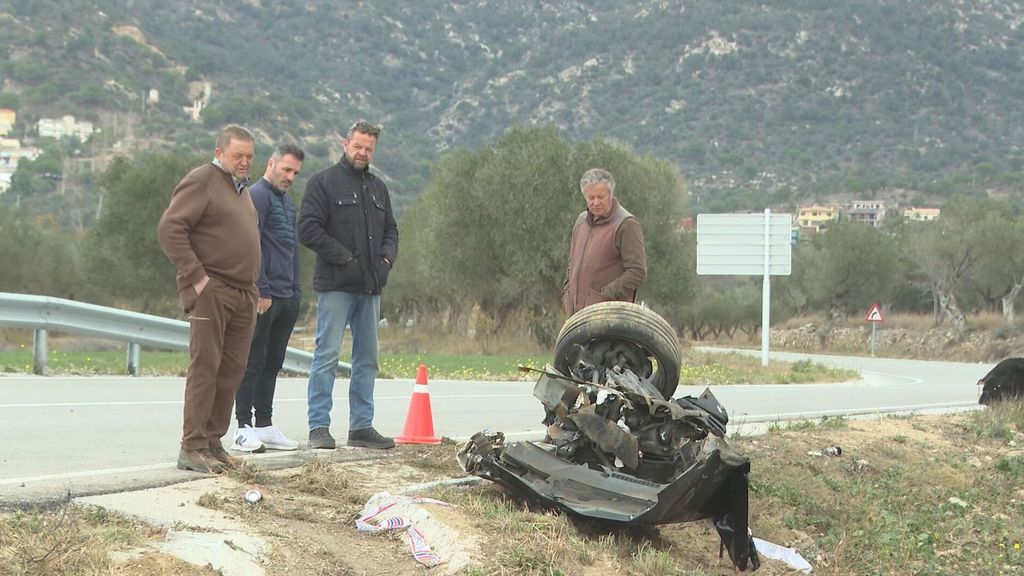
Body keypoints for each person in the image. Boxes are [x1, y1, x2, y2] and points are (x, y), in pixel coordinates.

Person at [158, 124, 260, 474]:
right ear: (220, 153)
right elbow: (170, 228)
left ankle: (213, 442)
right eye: (238, 156)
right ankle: (192, 445)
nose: (245, 162)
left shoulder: (242, 190)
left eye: (249, 156)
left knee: (231, 370)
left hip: (243, 294)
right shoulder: (202, 180)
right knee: (206, 366)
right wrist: (197, 277)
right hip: (213, 290)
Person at [298, 120, 399, 450]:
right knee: (326, 356)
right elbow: (309, 229)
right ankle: (318, 427)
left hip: (370, 289)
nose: (363, 152)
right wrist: (345, 259)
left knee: (367, 359)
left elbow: (391, 231)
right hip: (336, 287)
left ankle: (361, 427)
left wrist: (385, 261)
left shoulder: (378, 189)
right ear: (345, 144)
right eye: (358, 146)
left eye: (369, 148)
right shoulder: (323, 183)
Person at [230, 145, 306, 453]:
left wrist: (296, 290)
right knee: (252, 360)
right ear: (271, 164)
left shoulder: (287, 203)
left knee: (273, 362)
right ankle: (242, 427)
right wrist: (261, 288)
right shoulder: (257, 195)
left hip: (287, 295)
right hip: (263, 295)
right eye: (286, 170)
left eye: (295, 173)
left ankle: (265, 424)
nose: (290, 177)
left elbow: (291, 249)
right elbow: (252, 244)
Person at [562, 168, 647, 316]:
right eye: (591, 198)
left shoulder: (626, 224)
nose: (595, 202)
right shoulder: (580, 222)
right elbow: (572, 264)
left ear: (610, 194)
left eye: (600, 197)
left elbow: (637, 272)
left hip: (609, 319)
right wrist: (566, 295)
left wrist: (604, 297)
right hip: (576, 317)